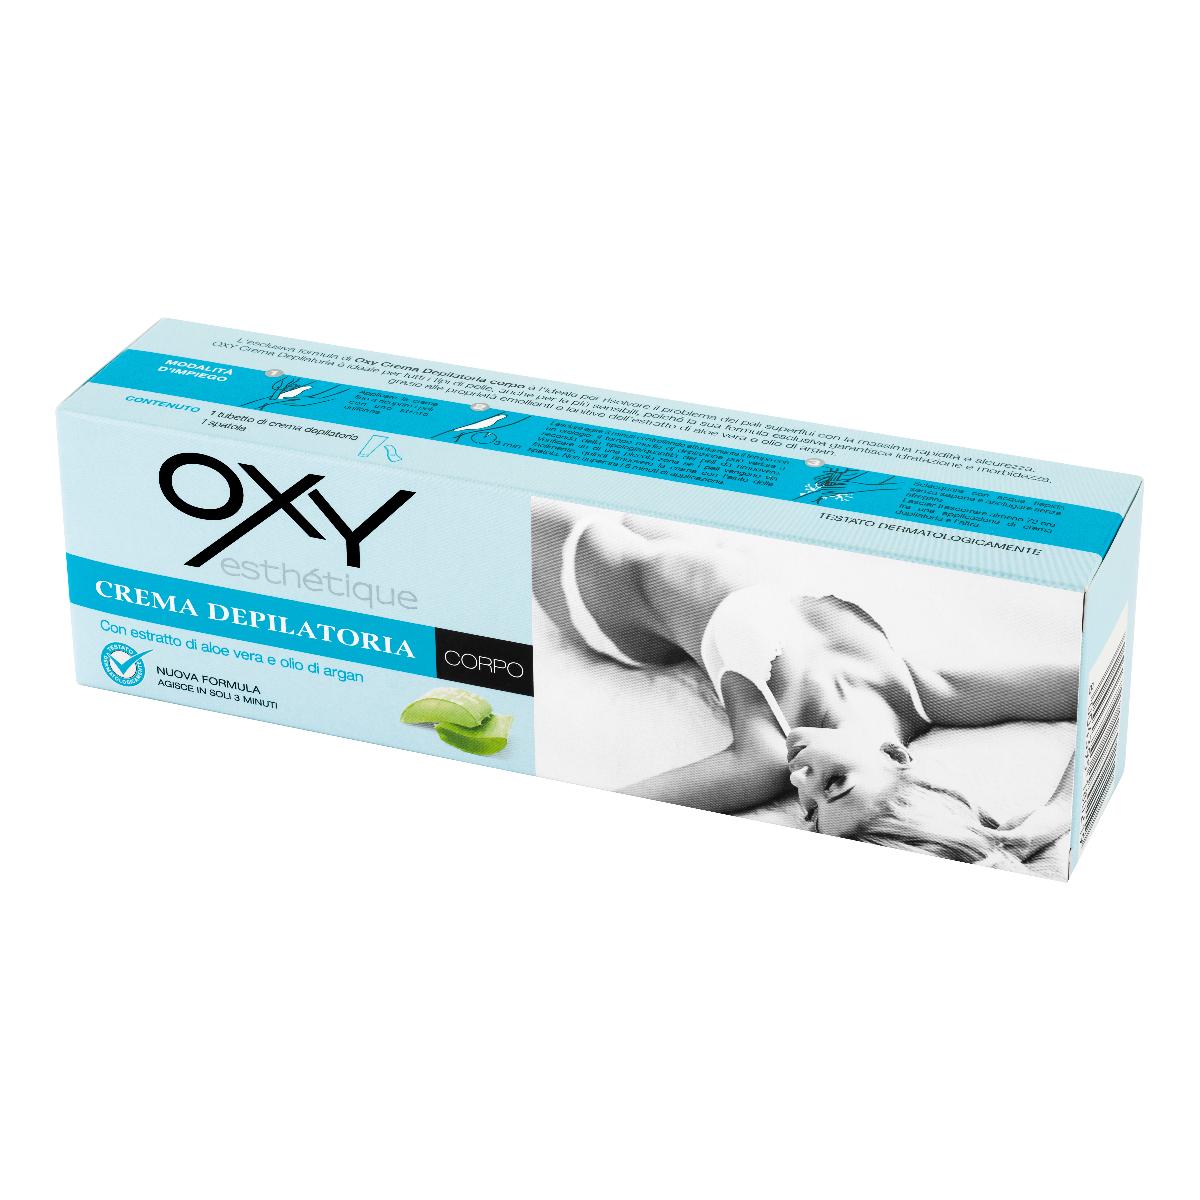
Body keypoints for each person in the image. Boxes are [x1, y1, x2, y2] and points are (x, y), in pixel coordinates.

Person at [532, 500, 1075, 868]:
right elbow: (1098, 687)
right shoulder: (925, 694)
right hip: (688, 532)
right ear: (896, 758)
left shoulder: (767, 753)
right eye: (834, 784)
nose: (801, 781)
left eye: (810, 814)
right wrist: (1058, 811)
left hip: (595, 576)